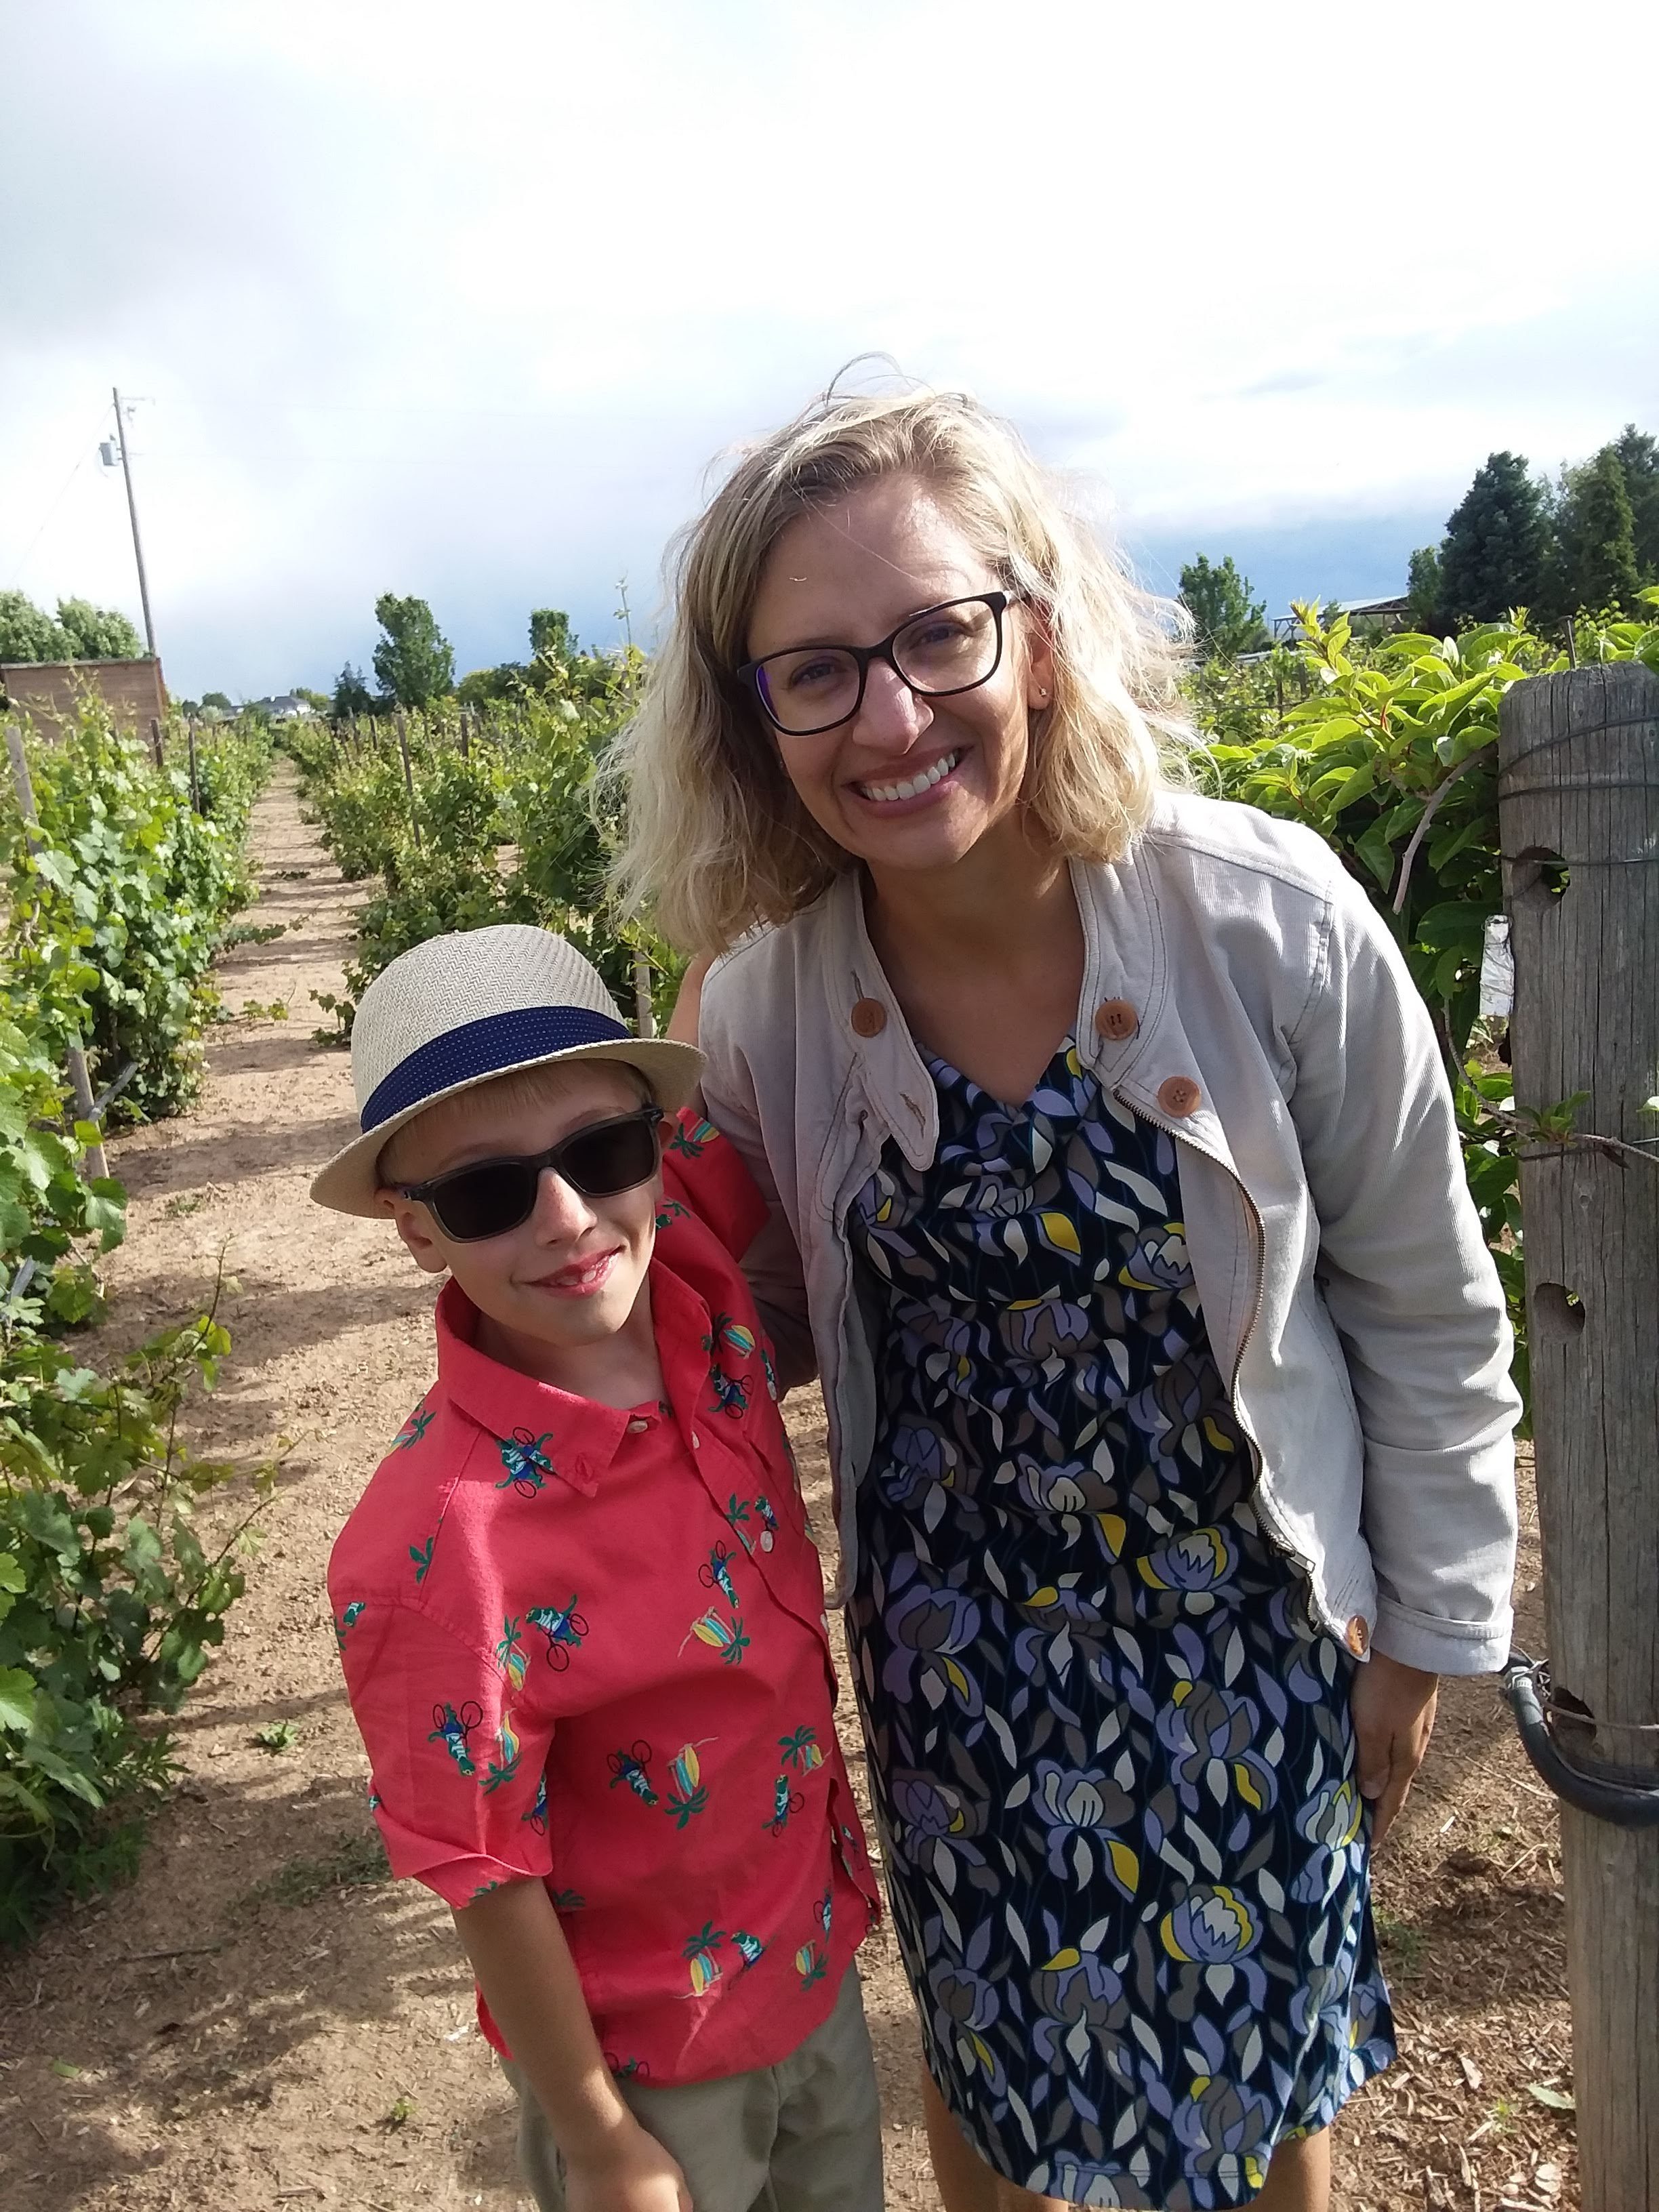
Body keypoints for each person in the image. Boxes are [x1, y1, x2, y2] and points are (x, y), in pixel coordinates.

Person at [621, 384, 1521, 2212]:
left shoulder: (1273, 929)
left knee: (1266, 2096)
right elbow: (740, 1330)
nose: (890, 714)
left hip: (1251, 1641)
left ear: (1036, 631)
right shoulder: (772, 1016)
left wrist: (1425, 1651)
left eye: (941, 631)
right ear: (754, 718)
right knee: (996, 2093)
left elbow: (1426, 1312)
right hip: (960, 1684)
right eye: (815, 671)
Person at [311, 924, 883, 2212]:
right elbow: (480, 1865)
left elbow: (705, 1034)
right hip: (644, 2064)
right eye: (486, 1192)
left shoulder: (688, 1281)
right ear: (415, 1231)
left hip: (812, 1960)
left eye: (601, 1155)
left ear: (652, 1156)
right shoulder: (441, 1550)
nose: (568, 1219)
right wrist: (599, 2137)